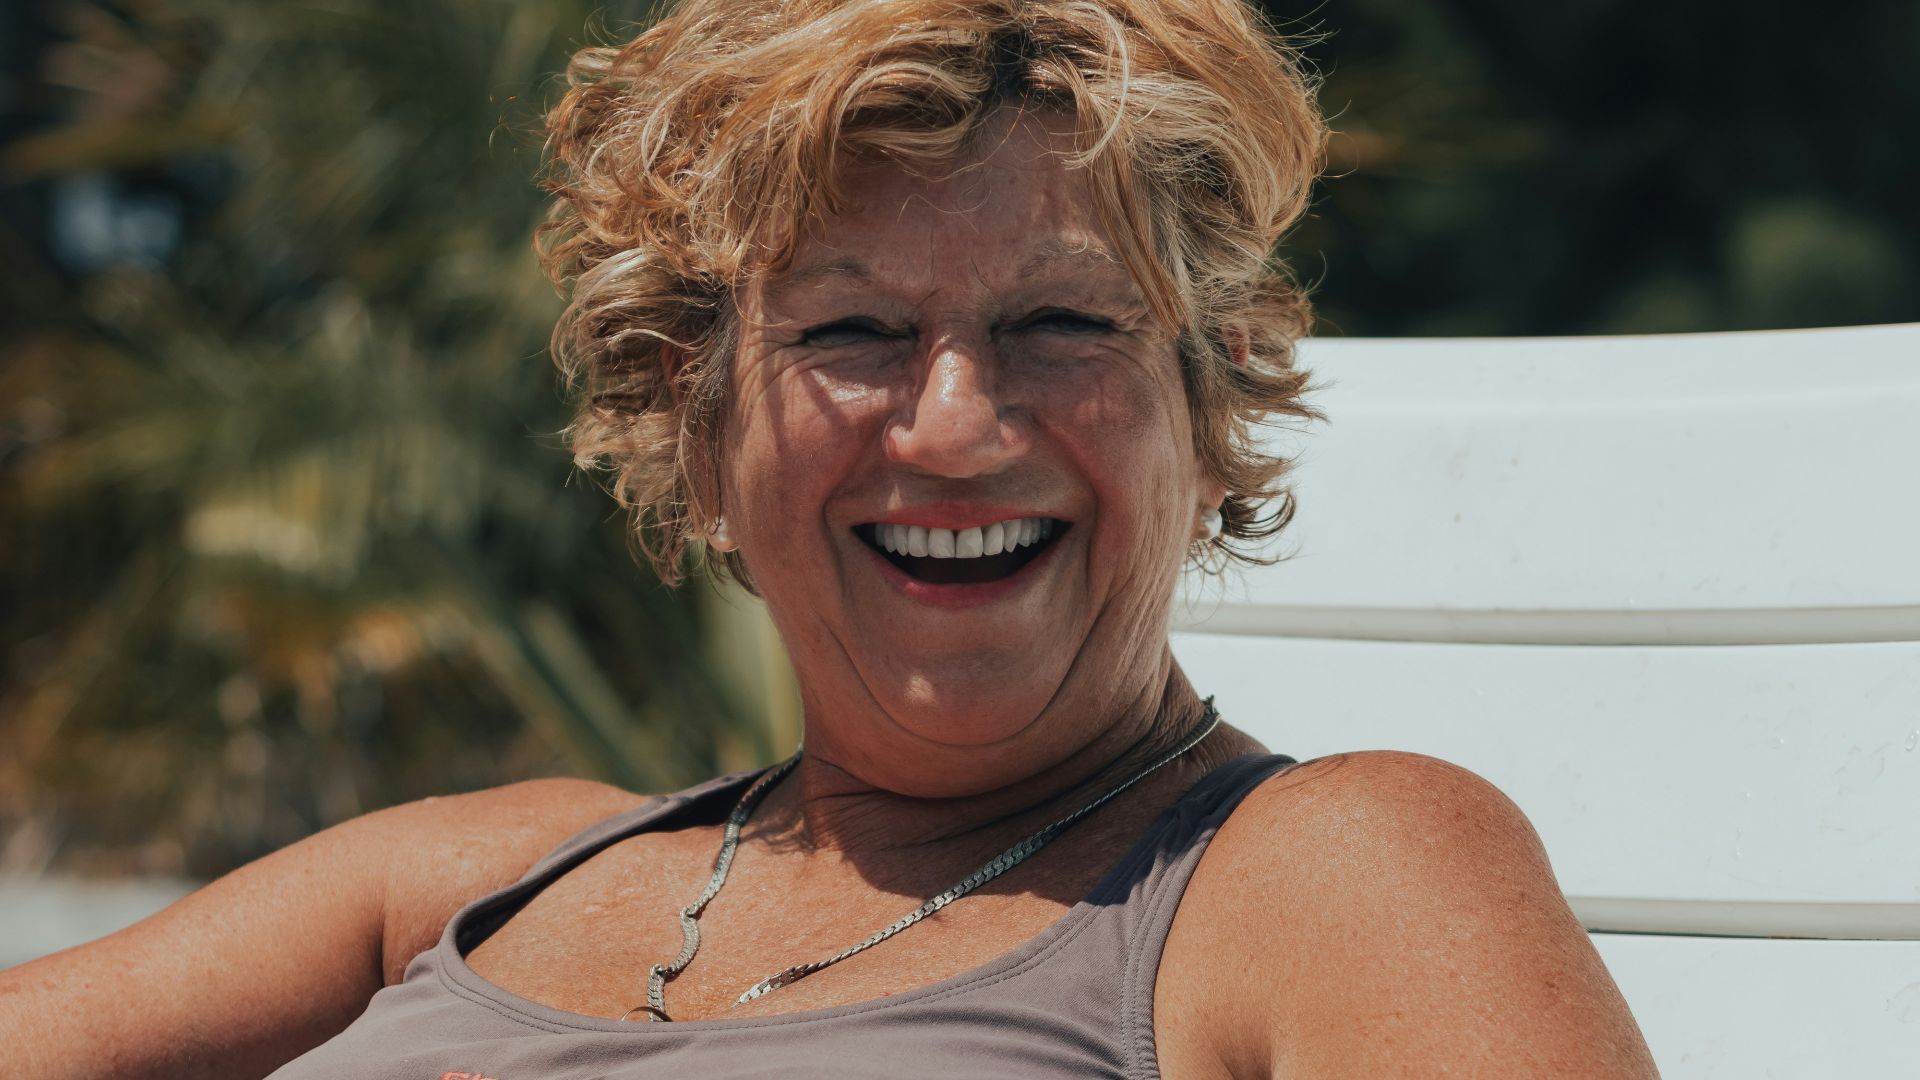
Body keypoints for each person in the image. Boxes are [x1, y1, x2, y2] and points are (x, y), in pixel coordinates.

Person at [0, 0, 1659, 1076]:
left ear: (1211, 407)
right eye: (853, 332)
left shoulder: (1327, 872)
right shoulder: (468, 876)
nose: (954, 424)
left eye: (1065, 322)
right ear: (697, 428)